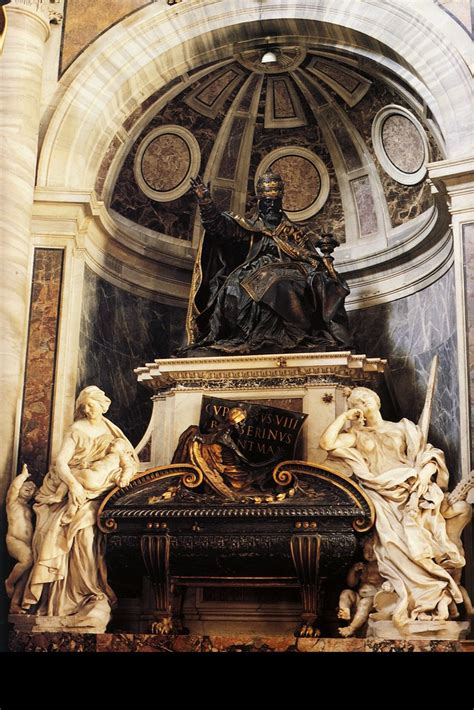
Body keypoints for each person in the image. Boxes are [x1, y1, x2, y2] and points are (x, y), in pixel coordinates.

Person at [319, 386, 466, 630]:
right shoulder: (355, 436)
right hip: (380, 493)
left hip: (410, 488)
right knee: (392, 547)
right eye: (355, 403)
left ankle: (429, 598)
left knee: (417, 541)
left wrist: (426, 472)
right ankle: (410, 599)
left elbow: (427, 455)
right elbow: (327, 443)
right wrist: (344, 418)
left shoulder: (403, 427)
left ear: (376, 401)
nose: (361, 404)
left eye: (365, 399)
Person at [179, 171, 352, 356]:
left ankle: (280, 336)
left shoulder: (293, 232)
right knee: (233, 288)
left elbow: (310, 258)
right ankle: (256, 336)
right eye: (267, 201)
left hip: (291, 273)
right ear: (259, 203)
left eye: (275, 201)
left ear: (281, 202)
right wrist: (206, 203)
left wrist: (318, 268)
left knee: (282, 283)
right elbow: (219, 226)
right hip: (252, 271)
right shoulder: (249, 227)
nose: (271, 205)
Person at [20, 386, 139, 631]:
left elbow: (131, 463)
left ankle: (90, 593)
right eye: (83, 406)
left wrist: (120, 473)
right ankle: (66, 603)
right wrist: (73, 485)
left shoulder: (112, 431)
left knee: (88, 533)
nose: (86, 410)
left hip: (101, 494)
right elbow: (60, 463)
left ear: (103, 405)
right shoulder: (76, 429)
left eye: (91, 405)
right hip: (71, 487)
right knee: (72, 530)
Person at [337, 535, 386, 637]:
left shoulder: (383, 567)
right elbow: (351, 583)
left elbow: (392, 581)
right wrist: (353, 571)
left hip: (375, 600)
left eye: (373, 550)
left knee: (365, 603)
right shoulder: (363, 566)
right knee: (346, 593)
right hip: (359, 597)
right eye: (366, 550)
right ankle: (344, 610)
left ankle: (351, 628)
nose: (370, 554)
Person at [5, 464, 37, 612]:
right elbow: (13, 489)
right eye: (26, 488)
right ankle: (9, 582)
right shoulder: (12, 503)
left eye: (32, 490)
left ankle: (14, 604)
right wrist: (23, 476)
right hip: (14, 540)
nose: (29, 491)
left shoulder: (29, 508)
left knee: (27, 571)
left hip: (27, 543)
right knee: (28, 559)